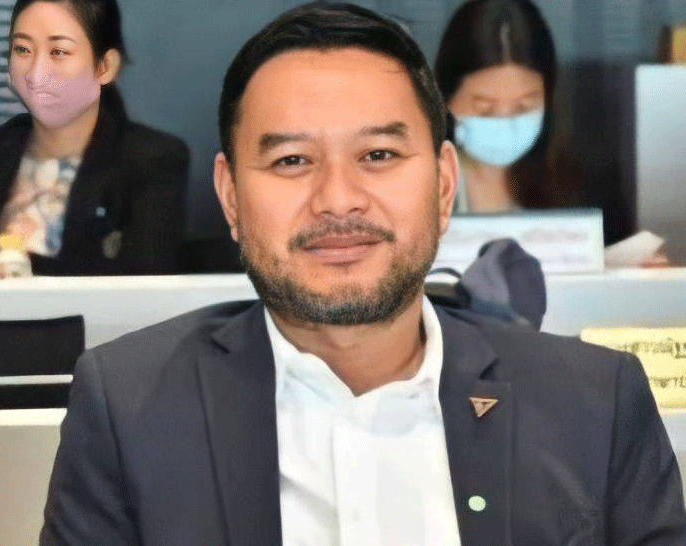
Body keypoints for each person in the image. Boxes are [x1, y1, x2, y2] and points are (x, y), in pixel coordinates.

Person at [40, 3, 686, 545]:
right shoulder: (129, 406)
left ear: (443, 184)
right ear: (231, 197)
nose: (338, 199)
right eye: (292, 161)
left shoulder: (595, 402)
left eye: (378, 154)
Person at [0, 0, 188, 278]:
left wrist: (18, 270)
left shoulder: (151, 159)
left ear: (104, 66)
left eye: (58, 52)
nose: (36, 73)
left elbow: (145, 278)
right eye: (22, 50)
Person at [435, 0, 577, 213]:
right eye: (485, 110)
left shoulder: (563, 178)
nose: (505, 122)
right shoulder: (426, 187)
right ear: (446, 99)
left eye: (524, 108)